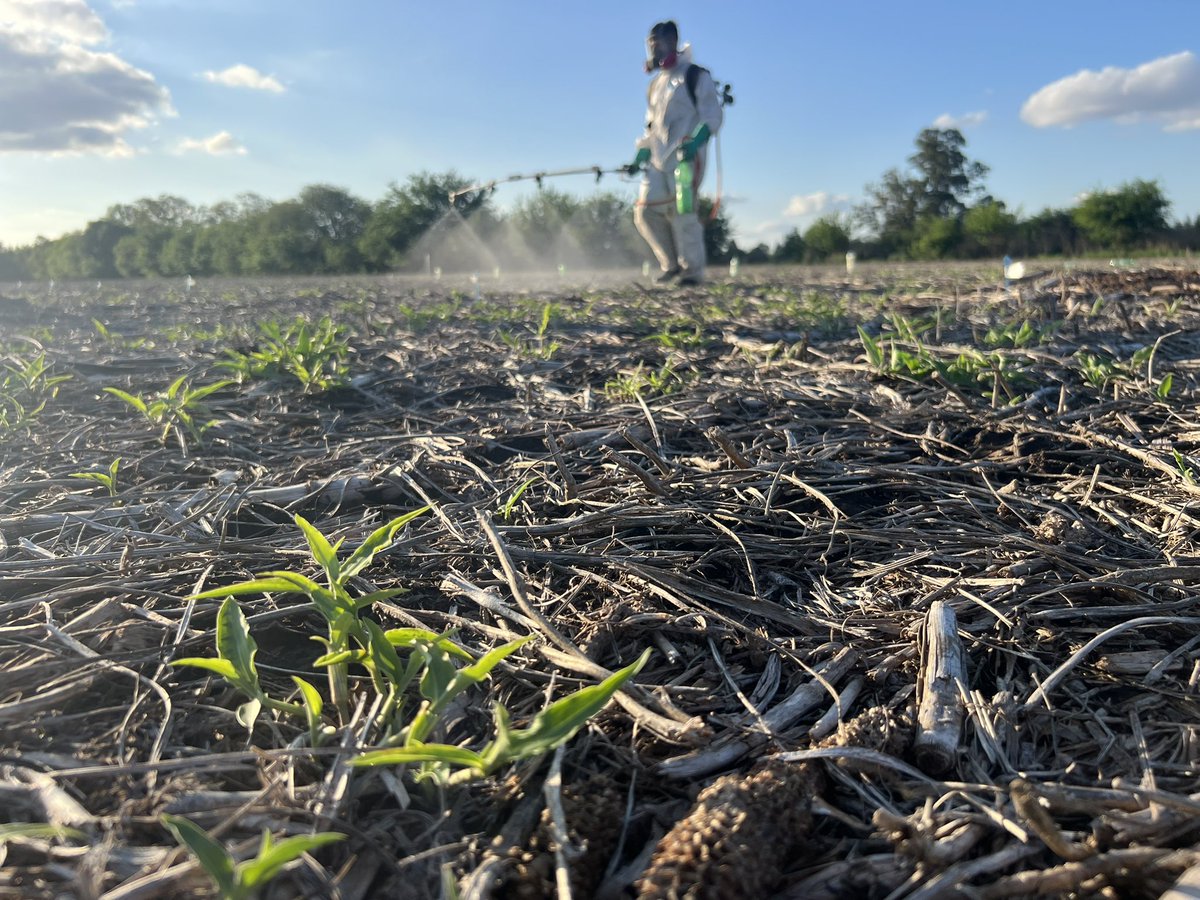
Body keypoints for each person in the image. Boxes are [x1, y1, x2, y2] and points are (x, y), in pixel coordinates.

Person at [626, 21, 723, 286]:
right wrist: (640, 155)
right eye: (650, 44)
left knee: (683, 213)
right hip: (658, 160)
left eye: (658, 43)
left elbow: (712, 115)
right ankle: (670, 265)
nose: (654, 50)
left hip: (687, 158)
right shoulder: (655, 85)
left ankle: (692, 271)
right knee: (644, 212)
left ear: (673, 42)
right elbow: (651, 126)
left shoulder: (694, 75)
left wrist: (694, 143)